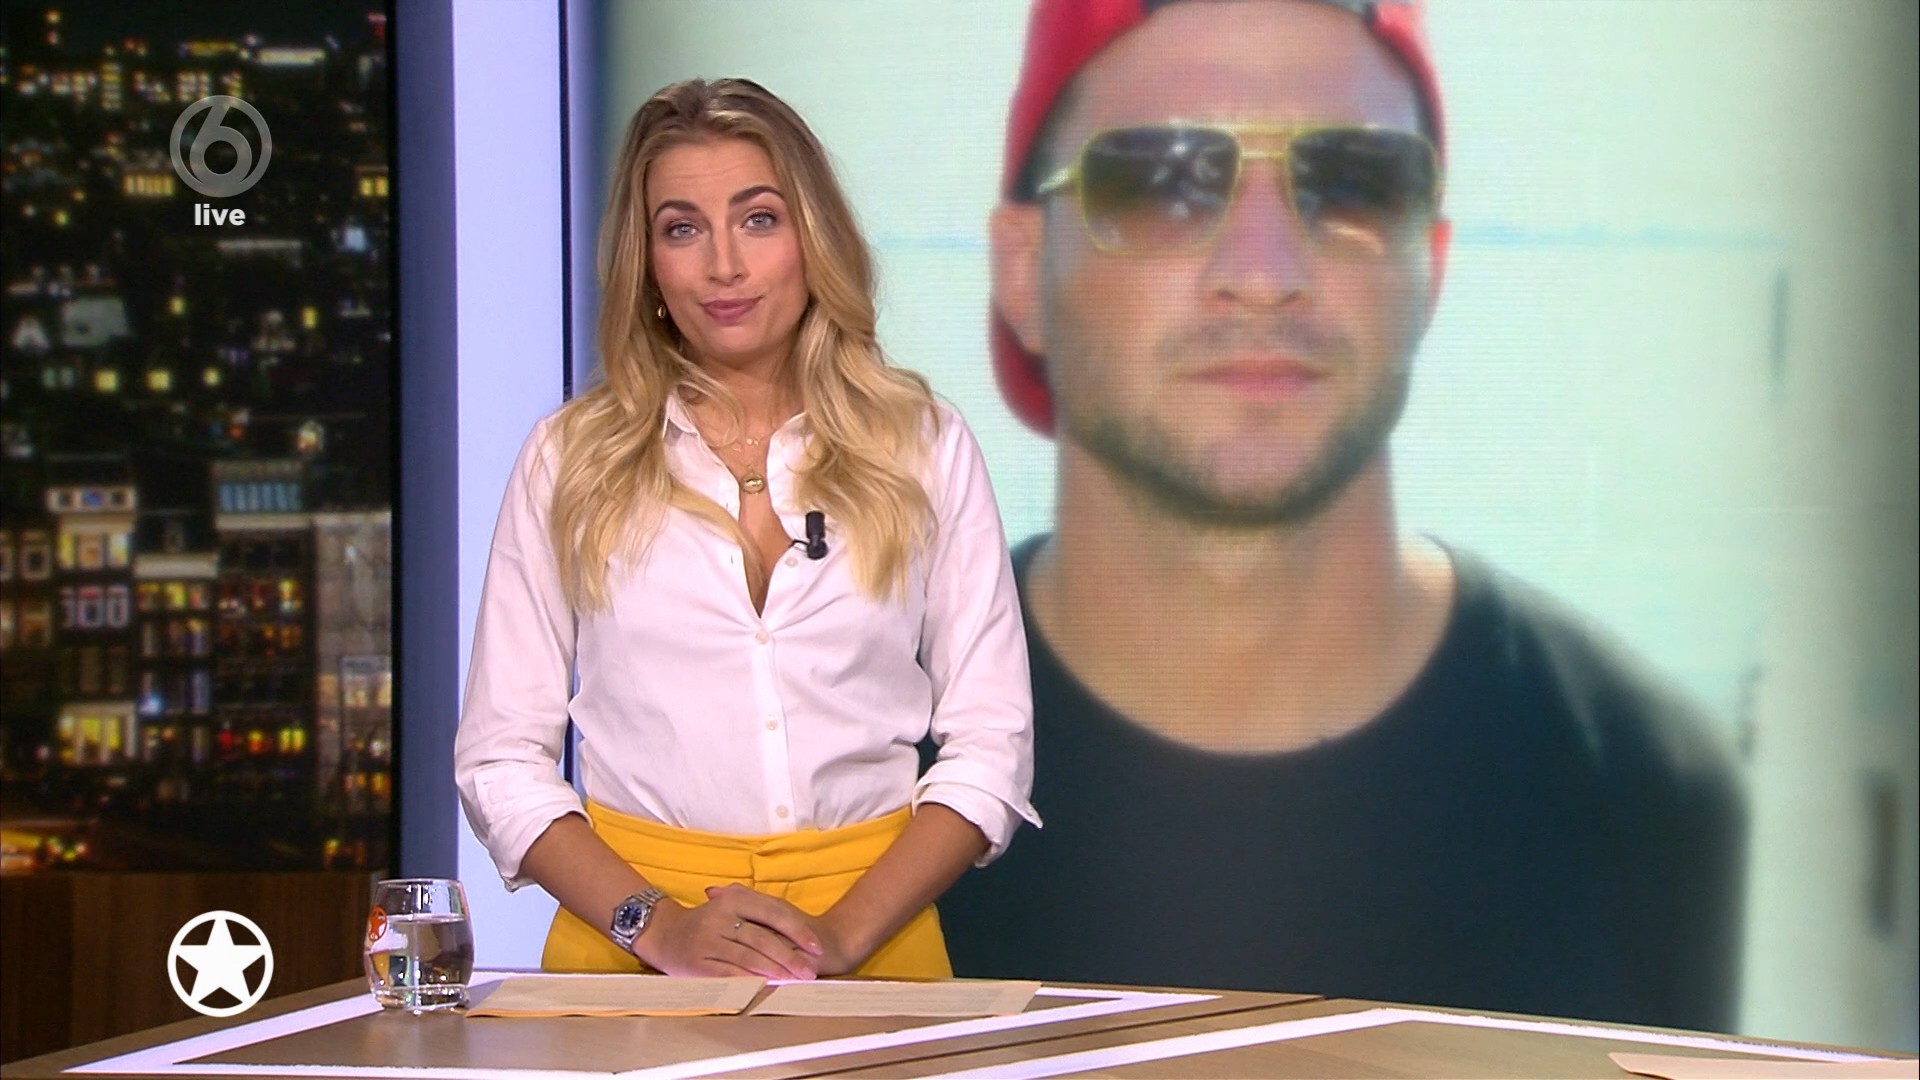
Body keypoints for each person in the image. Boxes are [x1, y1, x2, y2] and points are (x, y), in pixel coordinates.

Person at [935, 0, 1747, 1031]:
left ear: (1431, 267)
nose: (1263, 275)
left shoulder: (1648, 791)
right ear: (1021, 270)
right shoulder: (838, 762)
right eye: (1159, 183)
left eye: (1356, 185)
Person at [455, 77, 1037, 980]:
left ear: (813, 238)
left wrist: (839, 938)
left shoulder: (923, 445)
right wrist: (659, 929)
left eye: (758, 219)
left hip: (874, 936)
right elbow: (499, 759)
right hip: (633, 940)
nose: (723, 265)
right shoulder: (568, 460)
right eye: (682, 229)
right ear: (648, 263)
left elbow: (991, 745)